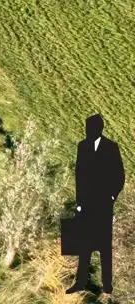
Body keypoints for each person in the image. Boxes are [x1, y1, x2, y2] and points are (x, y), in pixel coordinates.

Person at [79, 114, 124, 295]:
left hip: (104, 202)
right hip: (87, 203)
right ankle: (82, 281)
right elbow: (79, 176)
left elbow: (120, 175)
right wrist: (79, 202)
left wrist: (112, 196)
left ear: (99, 128)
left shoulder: (111, 147)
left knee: (105, 245)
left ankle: (107, 284)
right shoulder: (82, 146)